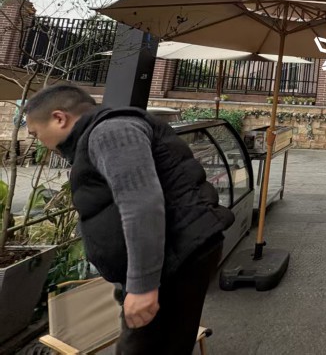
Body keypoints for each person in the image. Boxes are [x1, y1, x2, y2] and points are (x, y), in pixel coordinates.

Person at [24, 83, 234, 354]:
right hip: (174, 257)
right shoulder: (104, 132)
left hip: (176, 259)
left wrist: (143, 287)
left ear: (59, 118)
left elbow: (142, 205)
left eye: (35, 133)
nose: (38, 142)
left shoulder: (110, 132)